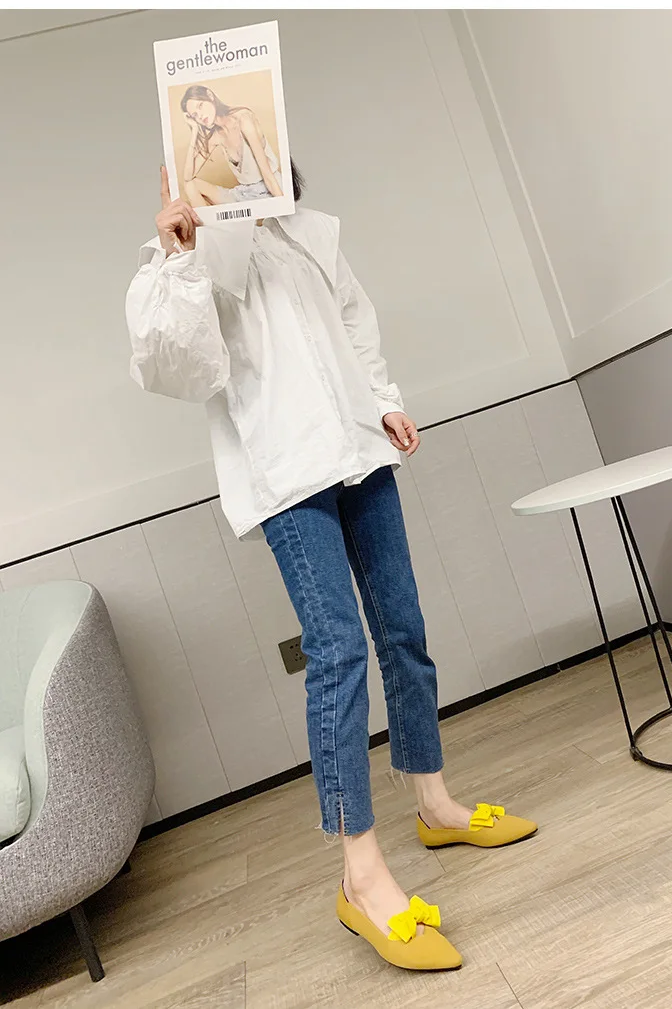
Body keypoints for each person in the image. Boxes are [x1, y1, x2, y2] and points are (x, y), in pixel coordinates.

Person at [124, 163, 538, 972]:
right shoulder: (182, 256)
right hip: (287, 477)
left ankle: (434, 802)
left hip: (360, 448)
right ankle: (361, 873)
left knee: (403, 629)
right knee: (339, 651)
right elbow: (178, 371)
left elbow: (354, 320)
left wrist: (384, 399)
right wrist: (180, 257)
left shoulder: (311, 235)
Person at [179, 84, 283, 205]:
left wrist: (283, 205)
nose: (200, 116)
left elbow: (267, 174)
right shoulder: (215, 136)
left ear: (210, 96)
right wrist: (194, 132)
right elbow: (188, 177)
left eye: (200, 106)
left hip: (268, 190)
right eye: (195, 115)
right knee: (191, 185)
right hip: (244, 194)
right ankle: (208, 220)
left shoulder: (243, 119)